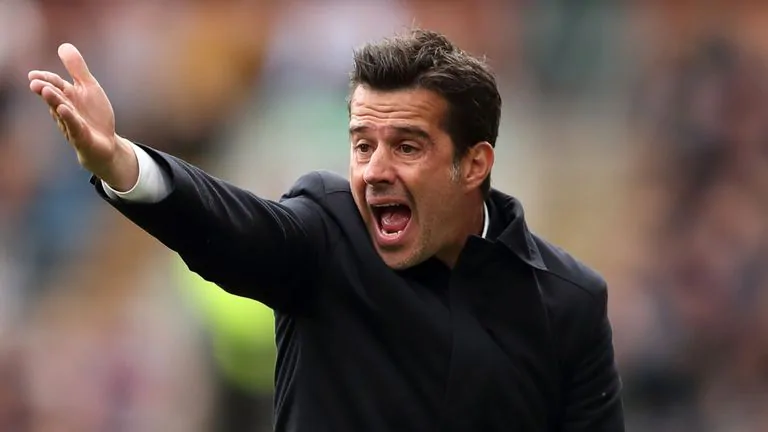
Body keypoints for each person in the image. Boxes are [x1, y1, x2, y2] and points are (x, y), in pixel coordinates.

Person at [28, 29, 624, 431]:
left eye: (407, 146)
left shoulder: (569, 302)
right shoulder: (329, 230)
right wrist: (121, 162)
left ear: (474, 164)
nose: (375, 170)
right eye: (363, 145)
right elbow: (231, 225)